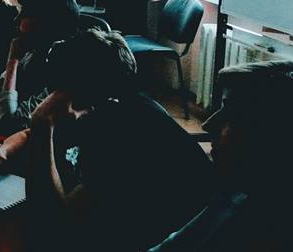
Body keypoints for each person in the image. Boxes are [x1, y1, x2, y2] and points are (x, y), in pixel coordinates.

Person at [25, 29, 214, 251]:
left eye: (58, 89)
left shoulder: (123, 131)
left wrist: (41, 125)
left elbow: (56, 224)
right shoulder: (119, 104)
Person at [150, 60, 293, 252]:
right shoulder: (239, 191)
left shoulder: (258, 225)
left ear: (278, 133)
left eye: (233, 114)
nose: (207, 124)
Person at [0, 0, 80, 138]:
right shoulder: (32, 52)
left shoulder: (63, 70)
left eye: (25, 14)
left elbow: (9, 124)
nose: (17, 19)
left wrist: (13, 60)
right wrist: (1, 116)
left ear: (46, 22)